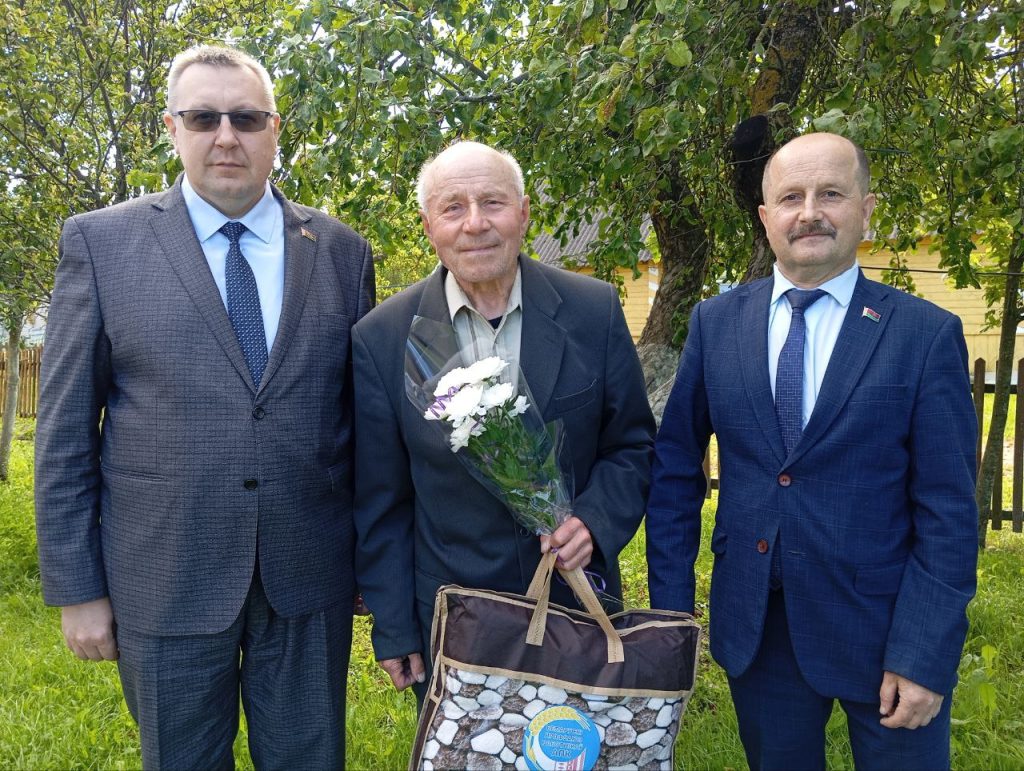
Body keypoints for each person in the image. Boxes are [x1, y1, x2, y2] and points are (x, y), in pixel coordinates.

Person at [34, 45, 374, 769]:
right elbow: (64, 431)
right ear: (172, 128)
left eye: (245, 118)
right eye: (203, 118)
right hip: (164, 576)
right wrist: (77, 587)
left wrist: (372, 560)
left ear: (274, 129)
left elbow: (361, 425)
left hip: (308, 575)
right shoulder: (101, 243)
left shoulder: (341, 251)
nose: (226, 136)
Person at [646, 132, 978, 769]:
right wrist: (670, 610)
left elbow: (950, 512)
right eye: (790, 197)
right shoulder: (717, 323)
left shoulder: (923, 334)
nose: (809, 213)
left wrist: (923, 651)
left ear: (866, 208)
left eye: (830, 194)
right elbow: (675, 470)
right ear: (765, 216)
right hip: (759, 626)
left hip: (885, 629)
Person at [352, 140, 655, 695]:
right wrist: (394, 627)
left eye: (492, 202)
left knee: (574, 741)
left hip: (575, 607)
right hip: (455, 619)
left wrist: (593, 522)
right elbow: (381, 500)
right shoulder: (382, 338)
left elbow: (632, 445)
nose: (475, 223)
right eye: (453, 208)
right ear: (428, 227)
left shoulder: (593, 310)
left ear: (523, 212)